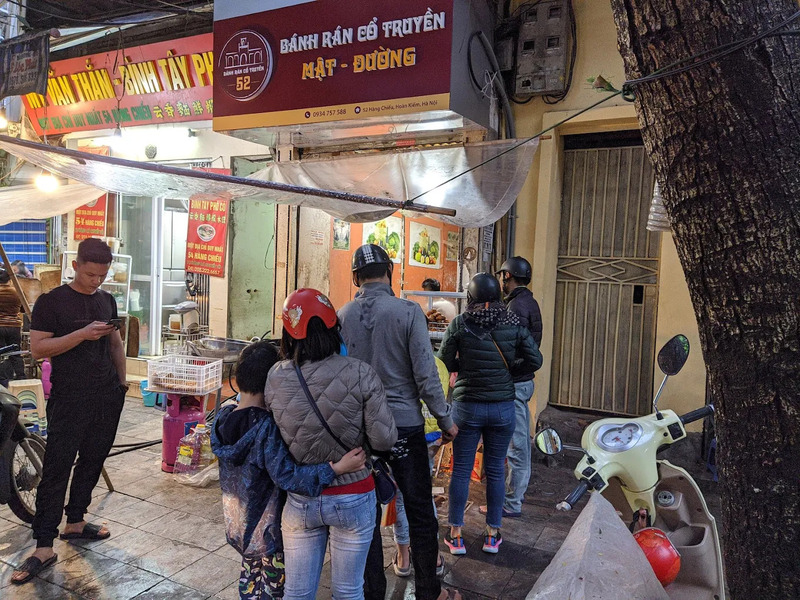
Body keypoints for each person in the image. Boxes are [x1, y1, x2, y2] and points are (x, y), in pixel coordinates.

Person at [338, 244, 461, 600]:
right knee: (421, 512)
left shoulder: (344, 315)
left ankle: (372, 592)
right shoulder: (408, 312)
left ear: (356, 277)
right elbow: (426, 375)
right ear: (389, 271)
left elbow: (342, 376)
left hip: (362, 432)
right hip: (405, 428)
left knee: (367, 516)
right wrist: (446, 419)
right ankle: (428, 592)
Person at [266, 288, 397, 600]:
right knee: (348, 591)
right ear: (332, 328)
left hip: (301, 499)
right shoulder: (361, 373)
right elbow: (384, 438)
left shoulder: (274, 377)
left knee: (297, 593)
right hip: (353, 496)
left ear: (288, 334)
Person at [11, 238, 127, 585]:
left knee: (93, 459)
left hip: (107, 395)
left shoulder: (107, 300)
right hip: (69, 398)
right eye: (91, 274)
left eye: (103, 275)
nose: (97, 281)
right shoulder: (52, 302)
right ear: (75, 266)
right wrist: (81, 334)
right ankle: (43, 545)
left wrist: (121, 385)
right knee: (57, 467)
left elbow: (115, 343)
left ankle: (75, 521)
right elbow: (38, 349)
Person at [212, 340, 368, 600]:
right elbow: (289, 477)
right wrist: (336, 468)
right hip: (269, 534)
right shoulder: (265, 428)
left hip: (240, 528)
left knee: (251, 587)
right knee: (276, 591)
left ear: (237, 380)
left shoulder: (222, 418)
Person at [437, 272, 542, 555]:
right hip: (502, 408)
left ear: (471, 296)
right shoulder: (513, 324)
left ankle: (456, 534)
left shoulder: (460, 324)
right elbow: (535, 360)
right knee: (496, 470)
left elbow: (444, 361)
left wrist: (465, 365)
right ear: (497, 296)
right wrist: (507, 372)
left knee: (461, 469)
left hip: (467, 407)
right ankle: (493, 534)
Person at [480, 256, 544, 518]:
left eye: (503, 277)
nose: (501, 282)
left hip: (516, 383)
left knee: (518, 447)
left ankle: (512, 503)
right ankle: (514, 496)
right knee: (518, 444)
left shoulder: (515, 307)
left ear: (508, 277)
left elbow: (513, 349)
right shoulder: (530, 302)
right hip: (524, 381)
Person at [0, 268, 25, 381]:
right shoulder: (17, 292)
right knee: (16, 353)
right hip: (15, 326)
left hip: (0, 326)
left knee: (2, 354)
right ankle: (21, 377)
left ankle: (4, 380)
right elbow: (23, 309)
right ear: (9, 280)